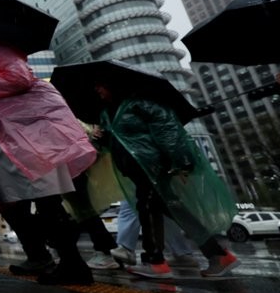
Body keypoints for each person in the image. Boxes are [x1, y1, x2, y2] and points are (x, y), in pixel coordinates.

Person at [0, 39, 98, 285]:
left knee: (46, 199)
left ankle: (73, 264)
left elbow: (18, 77)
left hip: (26, 136)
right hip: (8, 137)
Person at [92, 81, 239, 279]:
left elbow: (168, 132)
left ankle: (156, 262)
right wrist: (101, 137)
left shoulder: (141, 104)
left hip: (152, 167)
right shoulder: (109, 112)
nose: (98, 89)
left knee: (147, 208)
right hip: (136, 169)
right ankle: (217, 254)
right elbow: (117, 140)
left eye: (101, 85)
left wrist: (181, 162)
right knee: (174, 211)